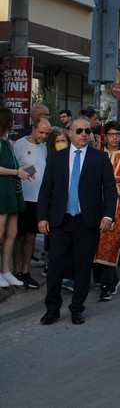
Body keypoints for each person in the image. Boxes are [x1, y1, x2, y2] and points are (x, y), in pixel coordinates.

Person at [37, 115, 117, 325]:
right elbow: (46, 189)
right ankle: (52, 309)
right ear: (70, 133)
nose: (84, 135)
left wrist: (108, 215)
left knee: (83, 268)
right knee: (56, 267)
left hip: (87, 221)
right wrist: (42, 217)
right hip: (60, 220)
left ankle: (77, 308)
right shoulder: (56, 158)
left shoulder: (99, 158)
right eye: (79, 131)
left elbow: (110, 190)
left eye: (87, 131)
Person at [93, 121, 120, 301]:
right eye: (111, 134)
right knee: (94, 241)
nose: (114, 138)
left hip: (118, 205)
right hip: (95, 203)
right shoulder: (97, 155)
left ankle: (107, 282)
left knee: (110, 242)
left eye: (117, 135)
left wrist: (114, 188)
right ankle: (102, 279)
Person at [11, 116, 51, 288]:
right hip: (22, 198)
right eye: (41, 132)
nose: (43, 136)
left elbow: (42, 167)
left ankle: (25, 271)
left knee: (31, 236)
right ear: (34, 128)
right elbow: (13, 168)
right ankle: (16, 271)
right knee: (18, 236)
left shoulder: (44, 148)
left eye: (46, 133)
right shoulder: (19, 144)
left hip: (39, 199)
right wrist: (27, 171)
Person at [0, 108, 28, 287]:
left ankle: (5, 270)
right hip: (2, 191)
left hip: (13, 190)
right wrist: (16, 172)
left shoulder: (8, 143)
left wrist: (21, 173)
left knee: (12, 232)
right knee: (0, 231)